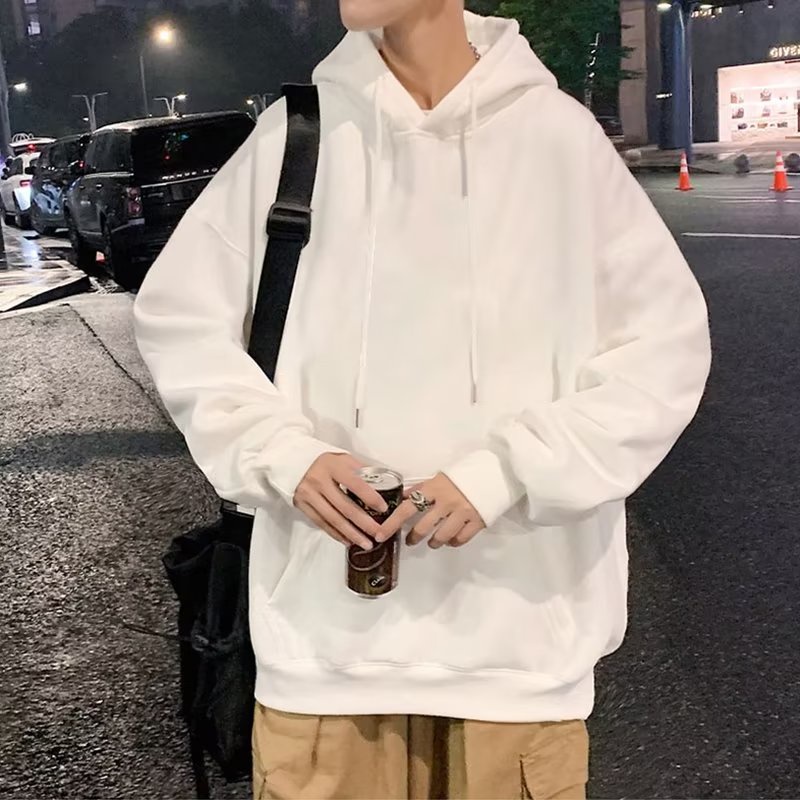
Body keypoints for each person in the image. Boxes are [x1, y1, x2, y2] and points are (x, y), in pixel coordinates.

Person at [133, 1, 712, 797]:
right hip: (324, 651)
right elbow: (180, 322)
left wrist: (507, 472)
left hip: (515, 655)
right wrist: (282, 455)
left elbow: (663, 351)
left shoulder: (557, 140)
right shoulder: (296, 137)